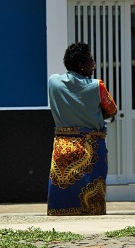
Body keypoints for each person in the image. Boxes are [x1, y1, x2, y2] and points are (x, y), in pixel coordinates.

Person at [46, 42, 117, 216]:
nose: (93, 64)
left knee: (62, 201)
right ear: (81, 65)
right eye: (90, 60)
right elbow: (112, 109)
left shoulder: (53, 82)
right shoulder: (97, 86)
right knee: (91, 205)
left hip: (62, 149)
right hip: (90, 149)